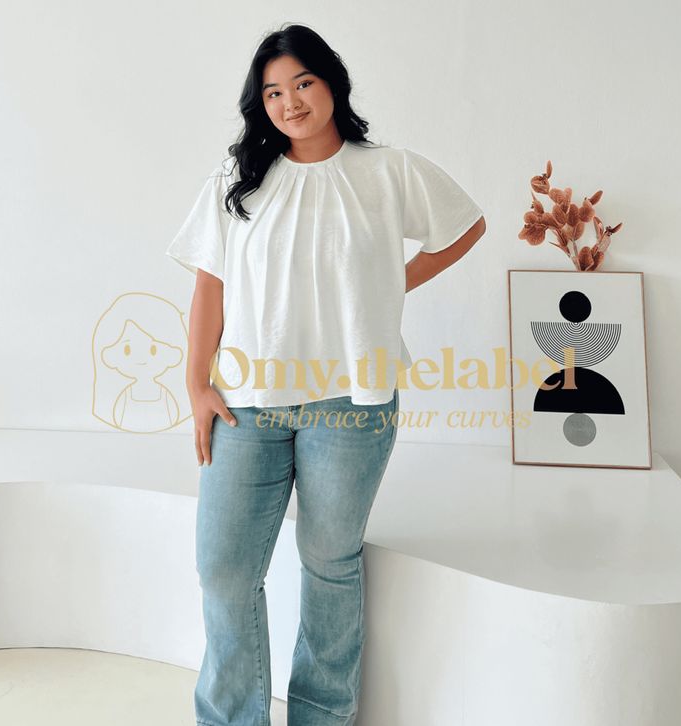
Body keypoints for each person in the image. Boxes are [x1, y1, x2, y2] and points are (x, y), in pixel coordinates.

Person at [166, 22, 486, 726]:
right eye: (273, 92)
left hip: (352, 404)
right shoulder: (237, 180)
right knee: (224, 569)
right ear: (261, 103)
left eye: (303, 83)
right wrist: (196, 385)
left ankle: (322, 716)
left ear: (332, 83)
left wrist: (389, 286)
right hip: (246, 402)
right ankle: (232, 718)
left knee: (329, 563)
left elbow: (465, 226)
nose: (290, 102)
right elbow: (210, 286)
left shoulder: (388, 171)